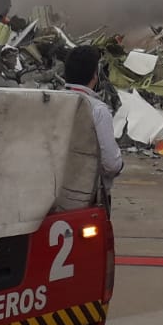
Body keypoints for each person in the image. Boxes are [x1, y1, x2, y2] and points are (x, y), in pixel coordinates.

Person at [62, 46, 124, 213]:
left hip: (52, 195)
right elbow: (111, 164)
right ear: (95, 75)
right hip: (88, 199)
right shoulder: (97, 110)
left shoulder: (49, 102)